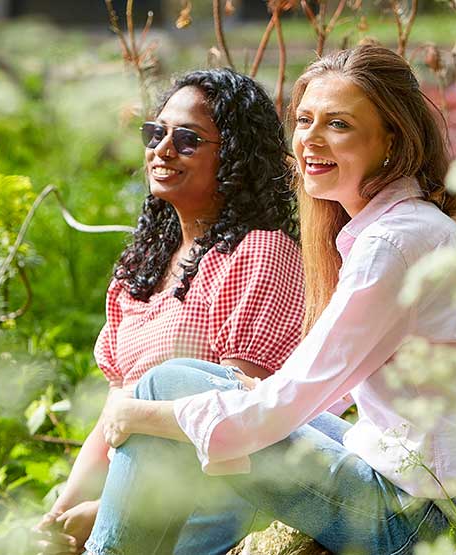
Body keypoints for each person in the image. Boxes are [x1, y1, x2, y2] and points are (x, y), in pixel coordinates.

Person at [84, 43, 456, 555]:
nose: (310, 141)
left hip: (432, 520)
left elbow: (295, 397)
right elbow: (321, 389)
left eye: (339, 125)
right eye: (304, 120)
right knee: (181, 386)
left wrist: (147, 418)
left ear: (392, 140)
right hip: (435, 494)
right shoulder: (398, 230)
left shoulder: (394, 243)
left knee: (164, 392)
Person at [35, 68, 307, 555]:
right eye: (155, 133)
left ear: (236, 158)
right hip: (136, 497)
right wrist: (59, 513)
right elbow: (115, 415)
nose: (162, 149)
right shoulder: (138, 274)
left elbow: (231, 418)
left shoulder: (259, 254)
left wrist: (104, 513)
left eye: (186, 139)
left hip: (222, 498)